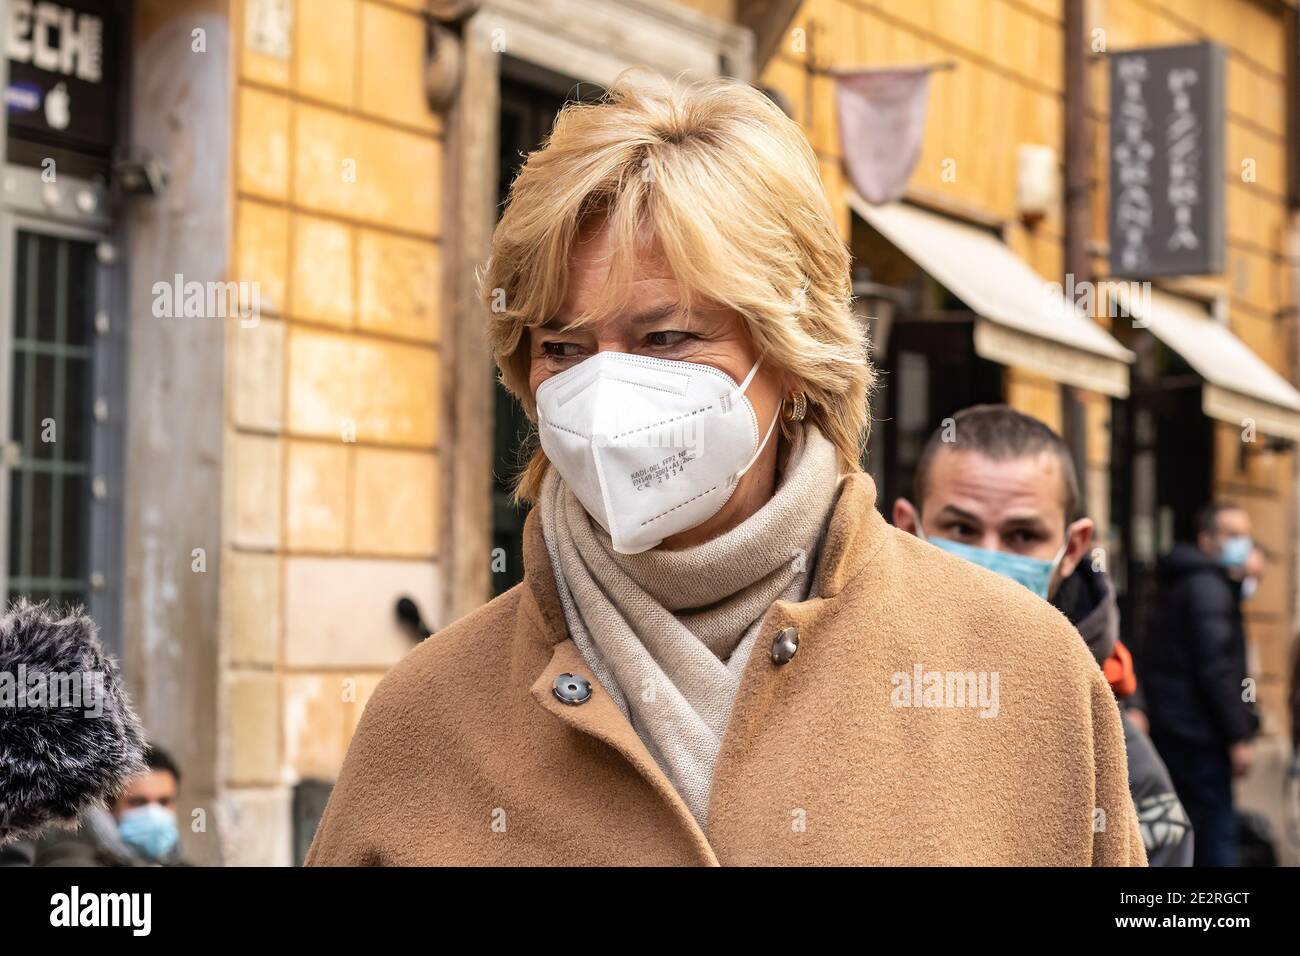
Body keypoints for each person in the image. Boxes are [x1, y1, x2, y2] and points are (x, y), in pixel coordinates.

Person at [306, 73, 1144, 866]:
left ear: (791, 355)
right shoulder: (426, 715)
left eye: (666, 338)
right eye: (562, 347)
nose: (604, 390)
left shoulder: (1025, 677)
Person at [893, 405, 1192, 866]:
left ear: (1072, 549)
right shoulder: (846, 685)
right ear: (908, 527)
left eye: (1021, 535)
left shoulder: (1117, 754)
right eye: (961, 529)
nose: (986, 560)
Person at [1142, 502, 1261, 866]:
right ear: (1206, 540)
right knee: (1215, 840)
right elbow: (1216, 670)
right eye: (1232, 535)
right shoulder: (1209, 590)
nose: (1242, 544)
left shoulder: (1193, 582)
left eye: (1246, 535)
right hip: (1201, 739)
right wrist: (1237, 735)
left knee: (1183, 837)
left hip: (1178, 731)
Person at [35, 744, 186, 867]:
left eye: (164, 802)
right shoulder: (69, 860)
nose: (154, 813)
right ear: (108, 805)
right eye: (139, 803)